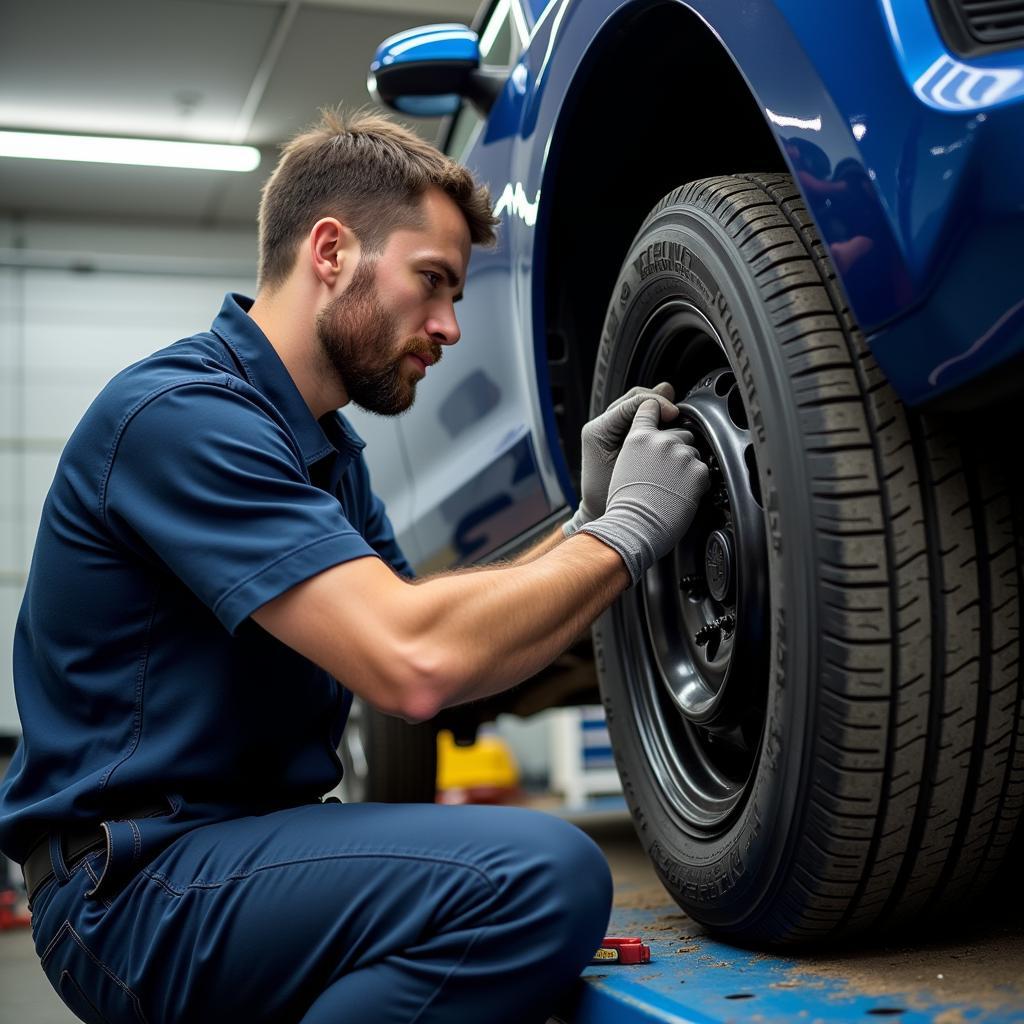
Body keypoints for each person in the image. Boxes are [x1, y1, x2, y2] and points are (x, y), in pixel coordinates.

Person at [0, 109, 708, 1023]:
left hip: (233, 849)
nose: (450, 327)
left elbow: (424, 632)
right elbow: (415, 662)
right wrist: (627, 535)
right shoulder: (181, 417)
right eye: (433, 282)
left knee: (519, 875)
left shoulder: (326, 453)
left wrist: (589, 519)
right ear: (330, 251)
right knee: (543, 877)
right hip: (131, 886)